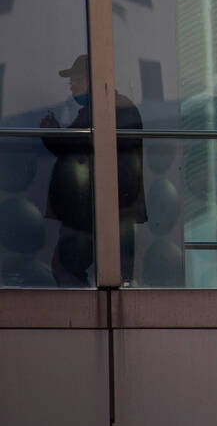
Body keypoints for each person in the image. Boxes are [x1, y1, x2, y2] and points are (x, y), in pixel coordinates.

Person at [41, 54, 146, 286]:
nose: (72, 87)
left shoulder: (106, 109)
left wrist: (52, 133)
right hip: (102, 210)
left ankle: (81, 316)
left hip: (90, 212)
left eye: (76, 81)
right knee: (114, 275)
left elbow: (72, 146)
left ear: (92, 80)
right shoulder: (111, 108)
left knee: (69, 267)